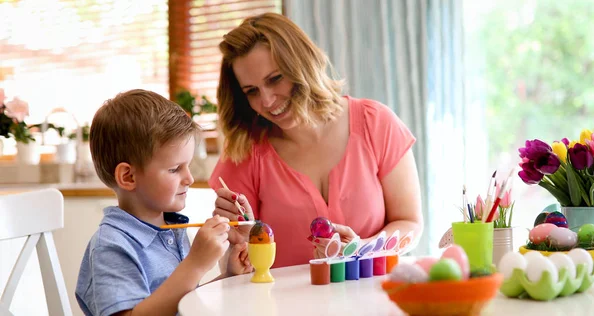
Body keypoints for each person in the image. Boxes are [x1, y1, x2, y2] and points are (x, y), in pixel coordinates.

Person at [210, 13, 423, 268]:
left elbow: (409, 223)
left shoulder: (376, 123)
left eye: (275, 78)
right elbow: (235, 263)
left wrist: (363, 250)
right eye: (251, 91)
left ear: (302, 64)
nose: (267, 101)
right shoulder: (245, 151)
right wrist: (235, 248)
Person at [75, 89, 252, 316]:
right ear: (128, 177)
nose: (189, 178)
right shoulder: (111, 246)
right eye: (174, 169)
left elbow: (179, 304)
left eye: (187, 166)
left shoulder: (170, 230)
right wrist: (195, 265)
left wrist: (228, 276)